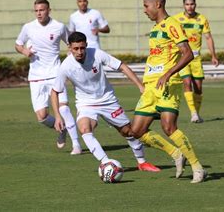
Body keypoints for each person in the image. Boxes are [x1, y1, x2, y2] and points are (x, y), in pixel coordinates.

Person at [50, 32, 160, 172]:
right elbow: (54, 92)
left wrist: (140, 86)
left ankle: (142, 162)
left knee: (129, 132)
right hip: (86, 103)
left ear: (86, 46)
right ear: (69, 48)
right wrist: (58, 116)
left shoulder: (96, 54)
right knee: (84, 128)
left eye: (82, 48)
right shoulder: (66, 66)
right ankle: (106, 162)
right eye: (75, 48)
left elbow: (122, 66)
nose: (79, 52)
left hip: (108, 100)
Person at [130, 0, 207, 183]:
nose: (145, 11)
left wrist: (168, 73)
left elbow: (187, 53)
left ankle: (197, 167)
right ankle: (175, 153)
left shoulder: (172, 24)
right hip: (150, 86)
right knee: (136, 131)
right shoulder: (157, 27)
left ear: (158, 4)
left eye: (146, 6)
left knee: (169, 127)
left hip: (167, 84)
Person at [15, 0, 81, 154]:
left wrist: (70, 54)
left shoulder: (58, 27)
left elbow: (70, 42)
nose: (39, 13)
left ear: (49, 10)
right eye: (36, 10)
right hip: (36, 77)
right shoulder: (28, 27)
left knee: (63, 109)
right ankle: (61, 129)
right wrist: (24, 51)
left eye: (42, 10)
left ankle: (76, 144)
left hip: (55, 74)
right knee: (42, 117)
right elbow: (18, 44)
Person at [172, 0, 219, 123]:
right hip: (183, 57)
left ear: (195, 5)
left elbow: (208, 38)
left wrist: (213, 56)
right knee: (186, 83)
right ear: (183, 5)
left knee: (198, 87)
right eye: (187, 4)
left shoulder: (202, 19)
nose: (189, 7)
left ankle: (197, 113)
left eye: (192, 4)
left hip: (196, 59)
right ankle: (193, 113)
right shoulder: (176, 19)